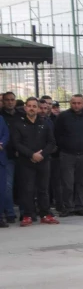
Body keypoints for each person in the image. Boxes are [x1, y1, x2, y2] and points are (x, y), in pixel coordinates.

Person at [12, 97, 57, 226]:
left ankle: (45, 214)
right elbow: (16, 143)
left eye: (34, 106)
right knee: (27, 189)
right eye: (29, 106)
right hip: (26, 161)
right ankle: (28, 215)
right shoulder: (18, 124)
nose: (32, 108)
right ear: (25, 107)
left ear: (38, 108)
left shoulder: (44, 123)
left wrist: (42, 154)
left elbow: (51, 142)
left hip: (43, 161)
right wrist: (31, 154)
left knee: (43, 189)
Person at [53, 93, 83, 216]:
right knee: (67, 183)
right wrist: (63, 146)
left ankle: (79, 206)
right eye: (74, 103)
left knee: (81, 183)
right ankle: (68, 207)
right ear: (70, 104)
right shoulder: (63, 117)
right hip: (67, 155)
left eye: (79, 103)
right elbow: (57, 134)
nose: (76, 106)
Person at [1, 91, 19, 223]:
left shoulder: (21, 115)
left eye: (12, 99)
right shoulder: (1, 115)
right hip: (6, 155)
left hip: (22, 154)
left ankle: (26, 212)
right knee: (7, 186)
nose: (10, 102)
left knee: (23, 185)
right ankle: (9, 213)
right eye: (7, 100)